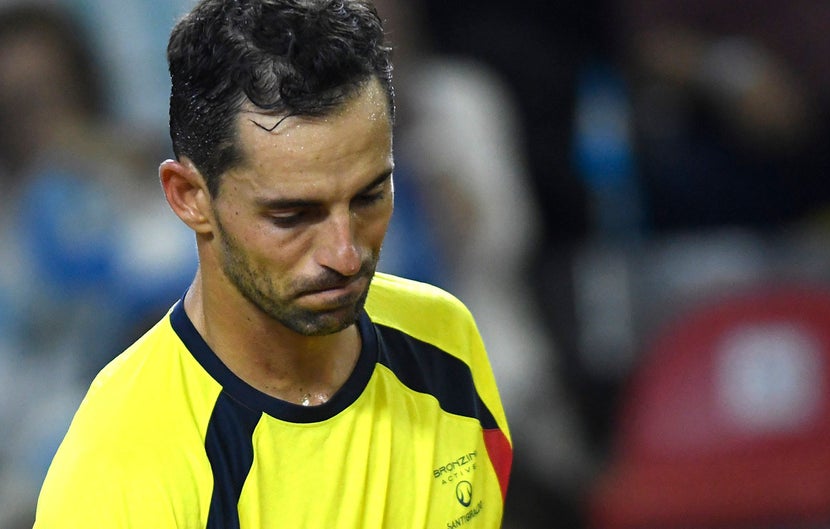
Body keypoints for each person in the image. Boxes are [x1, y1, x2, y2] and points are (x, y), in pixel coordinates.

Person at [32, 1, 511, 527]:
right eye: (292, 216)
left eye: (370, 196)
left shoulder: (444, 341)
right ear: (190, 197)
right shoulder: (118, 473)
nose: (345, 254)